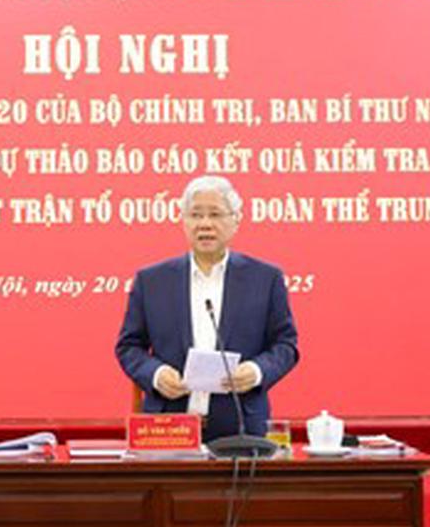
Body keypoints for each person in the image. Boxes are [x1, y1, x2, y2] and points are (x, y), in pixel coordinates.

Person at [116, 175, 299, 441]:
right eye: (195, 215)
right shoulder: (152, 280)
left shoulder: (265, 278)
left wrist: (257, 371)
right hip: (169, 429)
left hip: (241, 426)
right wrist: (156, 374)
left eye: (215, 214)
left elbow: (285, 345)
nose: (205, 224)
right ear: (183, 221)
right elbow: (129, 347)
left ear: (236, 220)